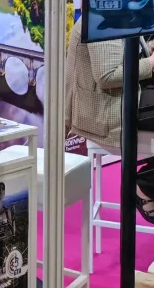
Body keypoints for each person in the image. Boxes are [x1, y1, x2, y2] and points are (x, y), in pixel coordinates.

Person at [66, 19, 154, 221]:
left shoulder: (117, 13)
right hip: (108, 113)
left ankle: (146, 183)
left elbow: (128, 54)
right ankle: (144, 185)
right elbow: (108, 76)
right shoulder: (102, 19)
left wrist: (148, 48)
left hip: (126, 100)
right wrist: (150, 63)